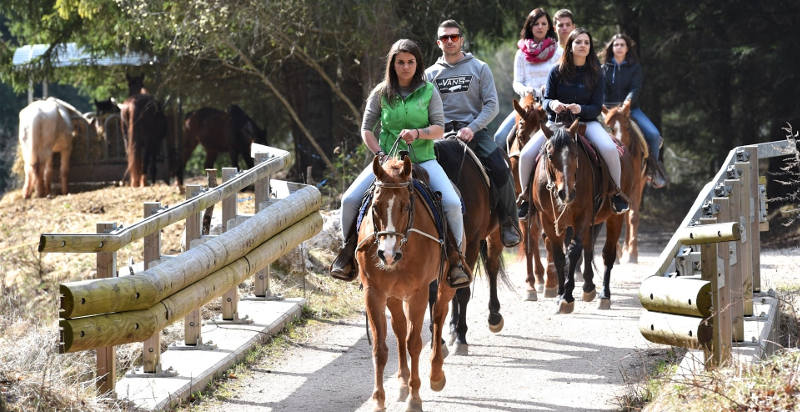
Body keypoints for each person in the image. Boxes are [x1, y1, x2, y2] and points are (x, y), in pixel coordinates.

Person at [330, 39, 471, 287]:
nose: (405, 67)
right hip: (388, 162)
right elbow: (366, 129)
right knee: (349, 200)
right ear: (392, 65)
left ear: (418, 64)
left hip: (424, 160)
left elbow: (439, 129)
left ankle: (456, 259)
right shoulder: (381, 92)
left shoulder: (429, 91)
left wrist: (417, 133)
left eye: (410, 62)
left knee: (451, 202)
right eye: (400, 62)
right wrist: (380, 154)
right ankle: (347, 254)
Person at [425, 19, 521, 248]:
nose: (450, 41)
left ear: (461, 40)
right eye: (445, 38)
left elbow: (492, 105)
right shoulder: (429, 74)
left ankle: (509, 221)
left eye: (454, 37)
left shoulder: (479, 67)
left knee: (501, 167)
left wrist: (473, 127)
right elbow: (424, 109)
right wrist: (434, 132)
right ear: (438, 43)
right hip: (440, 136)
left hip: (474, 132)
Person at [517, 27, 629, 216]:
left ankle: (615, 193)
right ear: (570, 45)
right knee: (526, 155)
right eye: (578, 42)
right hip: (556, 124)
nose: (583, 45)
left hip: (587, 123)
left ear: (590, 47)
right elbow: (546, 100)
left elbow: (596, 107)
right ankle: (526, 199)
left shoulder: (596, 74)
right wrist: (553, 104)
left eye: (586, 42)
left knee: (610, 149)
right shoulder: (556, 71)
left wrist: (580, 109)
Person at [601, 33, 668, 188]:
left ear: (627, 49)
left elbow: (635, 88)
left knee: (653, 135)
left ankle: (652, 170)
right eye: (616, 45)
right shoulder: (604, 68)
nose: (619, 47)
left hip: (630, 109)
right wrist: (605, 107)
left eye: (622, 45)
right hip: (609, 111)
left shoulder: (635, 68)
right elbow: (601, 90)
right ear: (611, 48)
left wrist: (627, 103)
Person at [493, 8, 562, 153]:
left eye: (544, 23)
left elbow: (562, 81)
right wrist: (526, 90)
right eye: (536, 24)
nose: (540, 27)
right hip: (526, 107)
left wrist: (549, 89)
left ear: (549, 27)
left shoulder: (559, 52)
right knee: (499, 138)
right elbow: (517, 82)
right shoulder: (521, 53)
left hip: (551, 106)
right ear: (530, 26)